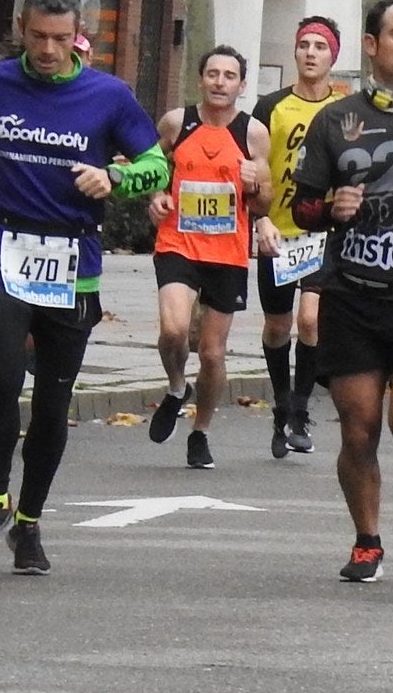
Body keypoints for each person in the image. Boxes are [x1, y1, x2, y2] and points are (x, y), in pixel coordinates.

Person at [0, 0, 168, 574]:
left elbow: (156, 165)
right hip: (1, 247)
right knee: (3, 375)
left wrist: (115, 179)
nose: (47, 50)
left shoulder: (108, 95)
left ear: (77, 36)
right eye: (38, 37)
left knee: (51, 402)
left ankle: (31, 521)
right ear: (23, 27)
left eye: (60, 39)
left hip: (73, 262)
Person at [290, 0, 393, 584]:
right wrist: (330, 206)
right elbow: (301, 210)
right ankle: (367, 541)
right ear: (372, 45)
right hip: (353, 291)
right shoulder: (336, 118)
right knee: (357, 427)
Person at [147, 45, 273, 469]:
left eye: (229, 76)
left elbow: (265, 202)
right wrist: (157, 195)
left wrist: (257, 184)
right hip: (178, 243)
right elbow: (150, 164)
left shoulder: (252, 133)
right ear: (200, 79)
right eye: (213, 74)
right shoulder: (177, 123)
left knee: (214, 352)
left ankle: (200, 432)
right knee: (174, 331)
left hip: (227, 252)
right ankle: (177, 385)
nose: (220, 82)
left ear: (241, 84)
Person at [252, 16, 344, 458]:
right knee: (278, 325)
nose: (310, 53)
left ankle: (301, 410)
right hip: (276, 233)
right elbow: (253, 171)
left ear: (333, 57)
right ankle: (280, 404)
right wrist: (258, 219)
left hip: (321, 233)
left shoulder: (345, 109)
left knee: (311, 319)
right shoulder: (270, 107)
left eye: (320, 47)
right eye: (304, 44)